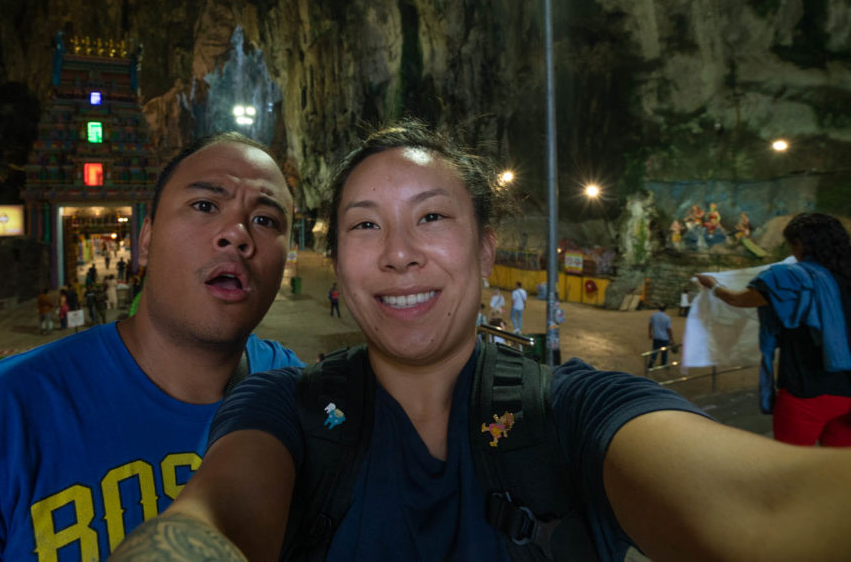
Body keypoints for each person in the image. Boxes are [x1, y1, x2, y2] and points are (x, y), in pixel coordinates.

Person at [111, 121, 851, 562]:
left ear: (488, 249)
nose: (399, 253)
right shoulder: (284, 409)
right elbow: (213, 515)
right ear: (337, 261)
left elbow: (766, 506)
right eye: (365, 224)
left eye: (431, 217)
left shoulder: (575, 410)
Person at [0, 133, 304, 561]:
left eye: (265, 219)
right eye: (205, 205)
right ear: (145, 240)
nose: (237, 234)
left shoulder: (296, 394)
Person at [696, 213, 851, 447]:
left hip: (807, 389)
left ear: (800, 244)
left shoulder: (791, 277)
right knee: (836, 469)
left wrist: (714, 286)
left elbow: (740, 300)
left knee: (790, 467)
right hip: (848, 391)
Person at [647, 304, 673, 369]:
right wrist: (671, 338)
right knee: (664, 352)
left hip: (656, 337)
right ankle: (663, 364)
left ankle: (651, 362)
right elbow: (668, 329)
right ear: (665, 309)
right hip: (664, 338)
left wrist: (650, 333)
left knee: (655, 351)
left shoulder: (653, 315)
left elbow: (650, 324)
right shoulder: (667, 318)